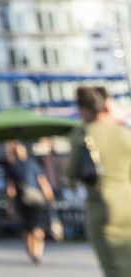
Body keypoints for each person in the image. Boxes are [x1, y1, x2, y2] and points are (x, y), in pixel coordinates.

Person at [64, 85, 131, 276]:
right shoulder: (125, 133)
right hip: (128, 205)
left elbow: (70, 174)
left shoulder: (83, 134)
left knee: (112, 267)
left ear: (84, 109)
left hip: (101, 207)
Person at [3, 140, 56, 265]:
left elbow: (10, 189)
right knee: (36, 227)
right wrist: (50, 198)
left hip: (22, 201)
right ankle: (37, 252)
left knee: (28, 228)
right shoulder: (33, 164)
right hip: (36, 200)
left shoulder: (12, 166)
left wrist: (9, 204)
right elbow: (43, 182)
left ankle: (33, 251)